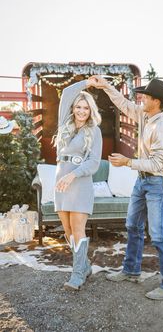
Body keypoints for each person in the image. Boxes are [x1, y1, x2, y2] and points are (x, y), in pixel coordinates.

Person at [89, 75, 163, 300]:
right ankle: (131, 270)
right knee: (133, 226)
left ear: (157, 101)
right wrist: (106, 85)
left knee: (158, 236)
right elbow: (123, 104)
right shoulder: (145, 115)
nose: (142, 99)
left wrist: (127, 162)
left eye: (146, 96)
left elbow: (159, 164)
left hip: (157, 183)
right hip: (142, 181)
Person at [54, 78, 102, 290]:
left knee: (77, 229)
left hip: (79, 182)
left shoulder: (94, 131)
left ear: (91, 110)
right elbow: (66, 93)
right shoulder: (64, 123)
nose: (82, 111)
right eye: (78, 107)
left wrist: (72, 175)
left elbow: (93, 163)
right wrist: (86, 82)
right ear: (73, 109)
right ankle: (85, 266)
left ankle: (77, 275)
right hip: (61, 182)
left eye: (86, 108)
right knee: (67, 231)